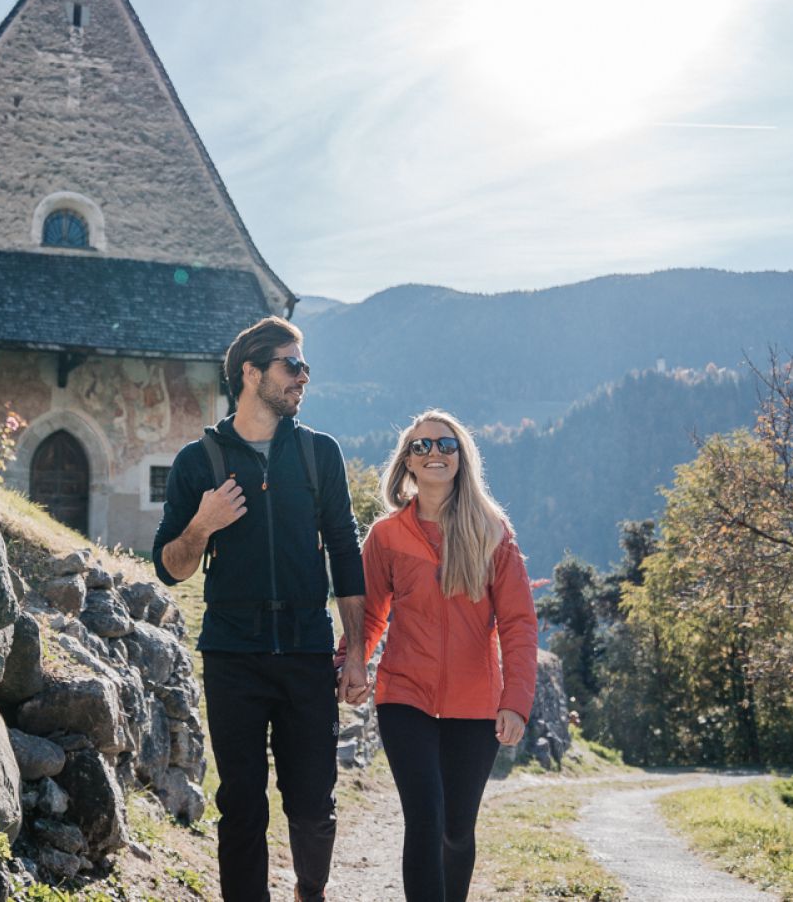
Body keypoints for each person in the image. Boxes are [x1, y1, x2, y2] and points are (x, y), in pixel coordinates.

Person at [152, 315, 366, 902]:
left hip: (305, 651)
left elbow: (346, 553)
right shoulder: (200, 460)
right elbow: (169, 566)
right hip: (232, 655)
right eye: (291, 365)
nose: (303, 377)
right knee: (241, 805)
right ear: (251, 373)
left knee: (313, 801)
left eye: (305, 367)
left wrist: (357, 654)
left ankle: (310, 892)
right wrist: (202, 524)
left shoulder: (321, 454)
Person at [349, 409, 538, 902]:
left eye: (446, 444)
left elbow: (518, 623)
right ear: (407, 463)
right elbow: (370, 615)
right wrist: (350, 664)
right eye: (422, 445)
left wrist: (515, 698)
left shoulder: (493, 533)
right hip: (403, 696)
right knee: (425, 817)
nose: (435, 452)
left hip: (475, 705)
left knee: (456, 829)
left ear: (462, 458)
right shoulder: (386, 536)